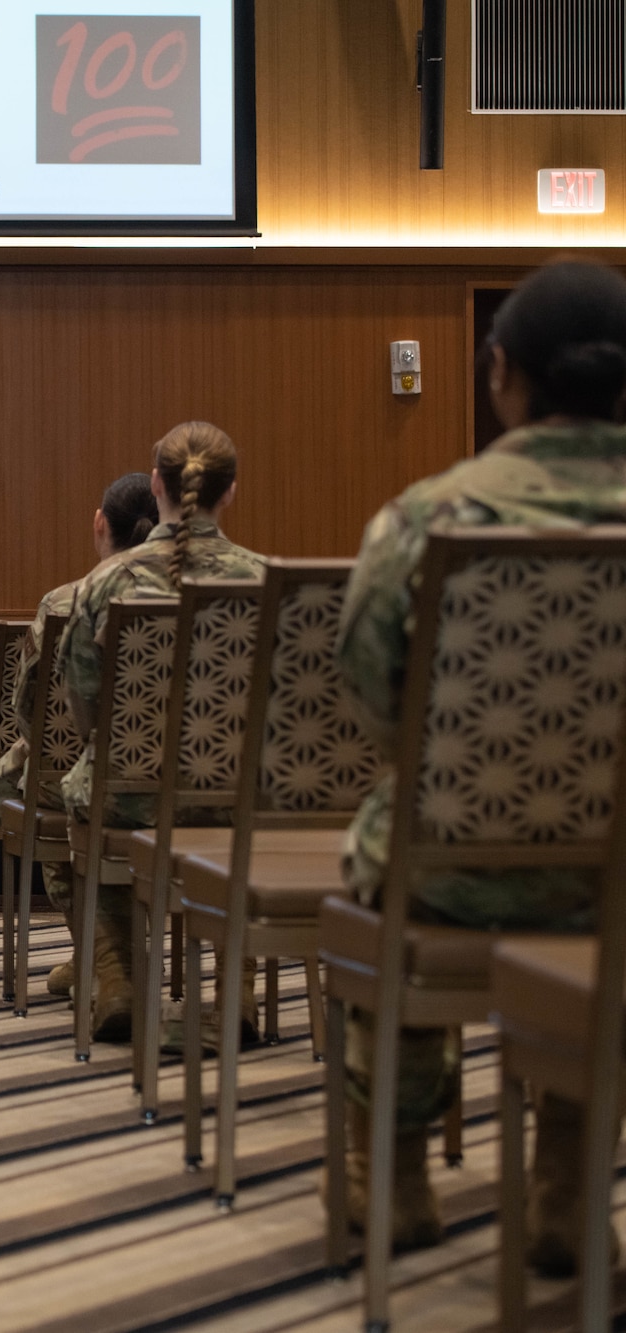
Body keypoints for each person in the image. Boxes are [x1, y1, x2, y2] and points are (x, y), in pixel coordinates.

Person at [336, 259, 626, 1264]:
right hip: (616, 887)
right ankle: (565, 1190)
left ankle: (396, 1170)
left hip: (452, 869)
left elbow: (372, 697)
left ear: (498, 372)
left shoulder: (426, 517)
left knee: (384, 850)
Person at [0, 472, 160, 996]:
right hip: (201, 786)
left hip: (90, 786)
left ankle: (104, 962)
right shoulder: (220, 594)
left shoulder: (68, 603)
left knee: (51, 782)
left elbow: (30, 715)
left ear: (99, 525)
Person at [56, 423, 266, 1041]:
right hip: (242, 801)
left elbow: (82, 700)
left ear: (157, 485)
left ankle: (118, 980)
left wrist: (119, 755)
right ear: (229, 493)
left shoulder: (105, 583)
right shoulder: (267, 578)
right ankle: (239, 991)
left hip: (131, 796)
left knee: (84, 798)